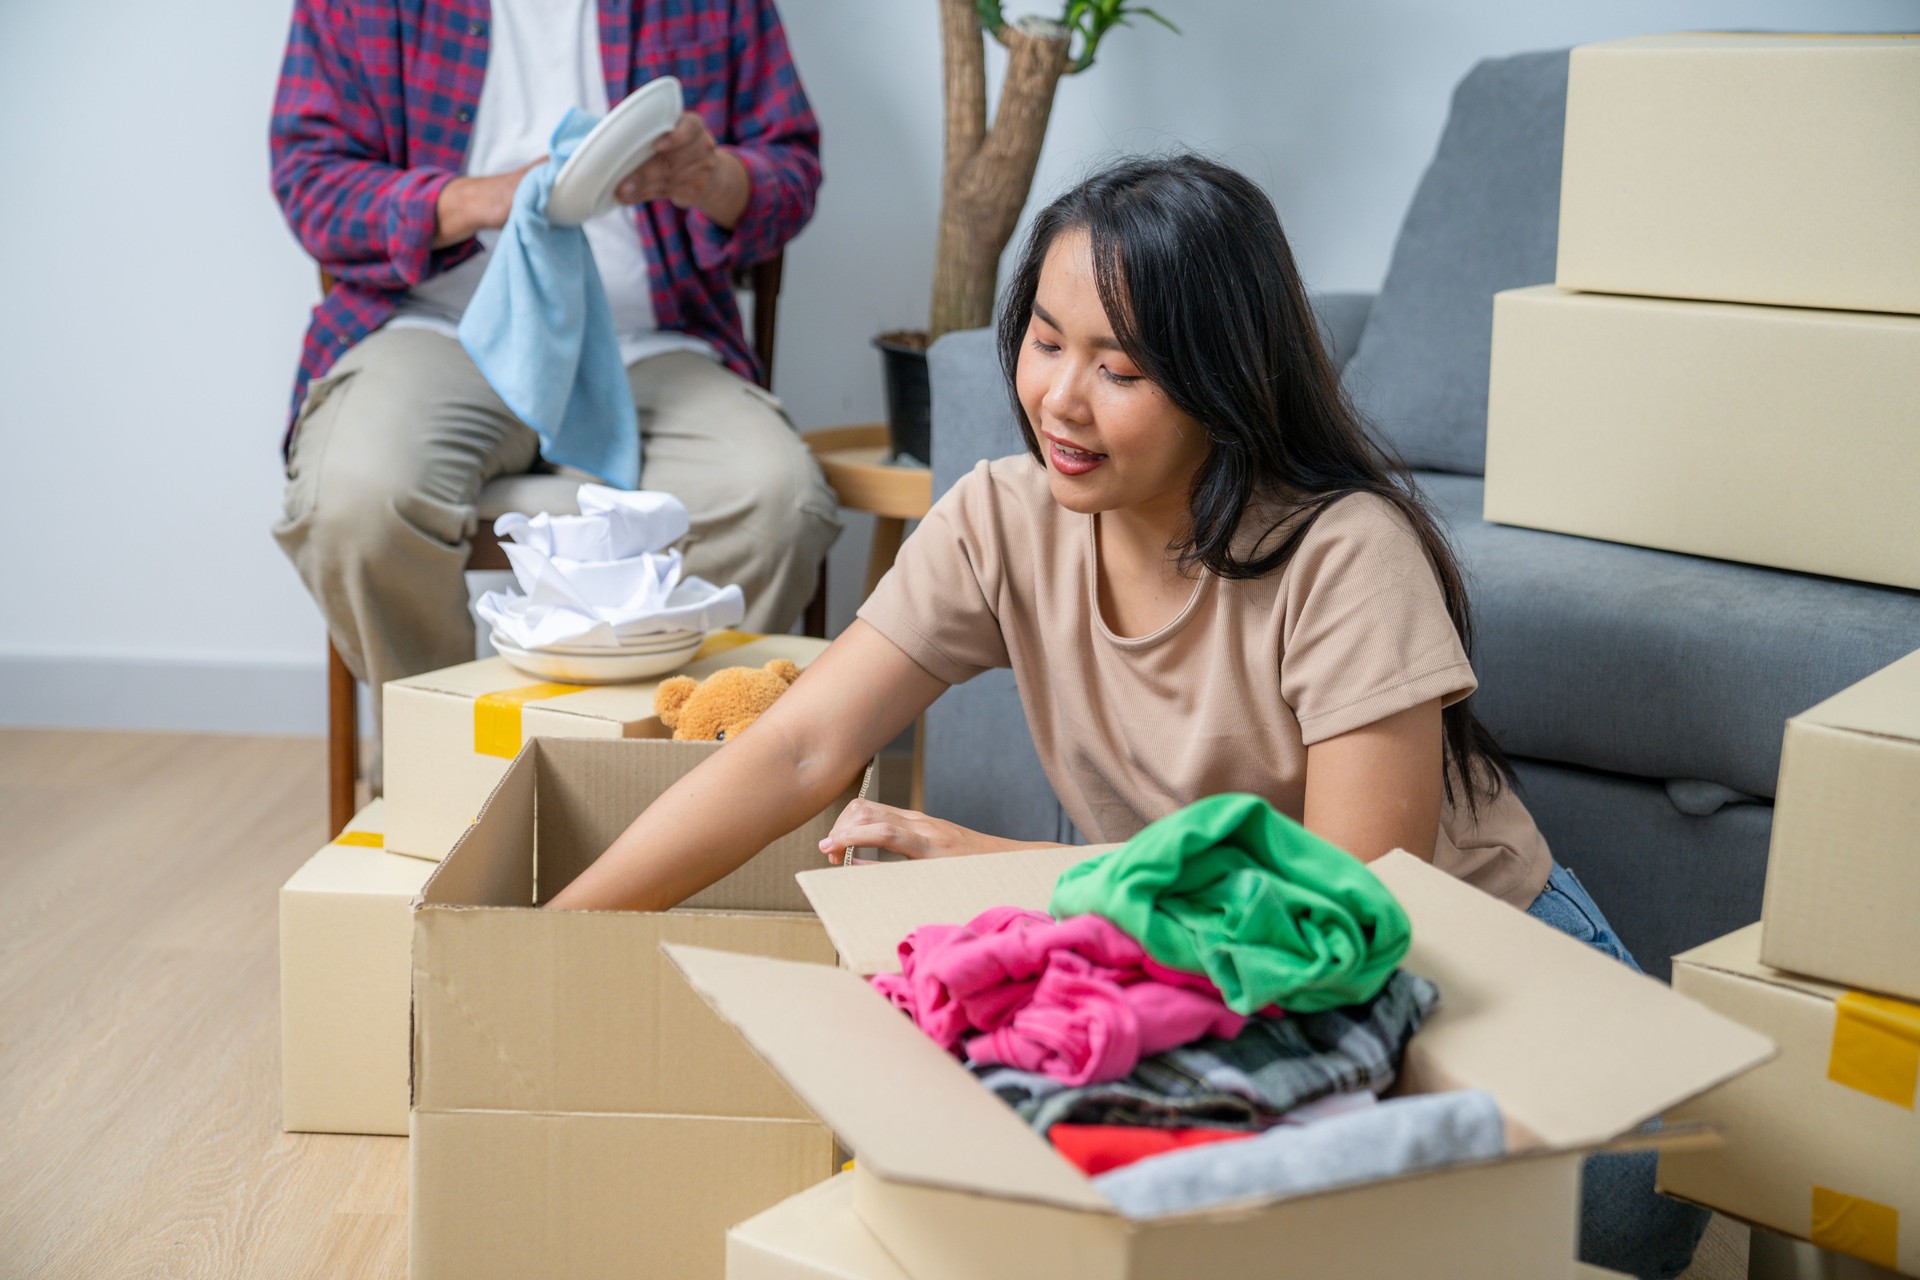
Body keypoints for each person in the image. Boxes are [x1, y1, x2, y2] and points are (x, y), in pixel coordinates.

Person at [545, 153, 1707, 1279]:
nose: (1060, 396)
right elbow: (800, 743)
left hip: (1475, 977)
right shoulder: (1001, 519)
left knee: (1591, 1230)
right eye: (1047, 342)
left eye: (1122, 368)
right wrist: (554, 931)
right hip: (1223, 984)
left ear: (1224, 379)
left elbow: (1351, 891)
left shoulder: (1345, 551)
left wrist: (1000, 868)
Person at [267, 0, 840, 766]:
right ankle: (448, 771)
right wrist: (481, 198)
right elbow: (310, 180)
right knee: (356, 499)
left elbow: (790, 172)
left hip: (649, 336)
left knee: (775, 499)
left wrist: (713, 176)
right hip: (440, 328)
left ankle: (667, 782)